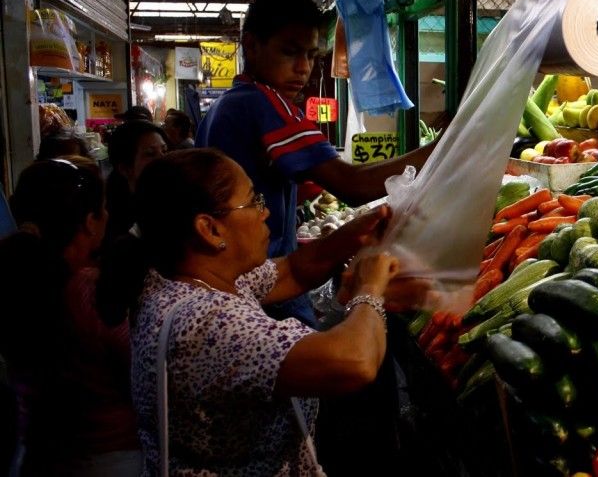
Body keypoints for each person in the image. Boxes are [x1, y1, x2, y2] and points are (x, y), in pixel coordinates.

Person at [95, 148, 429, 475]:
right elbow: (355, 362)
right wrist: (369, 289)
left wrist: (359, 230)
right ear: (209, 229)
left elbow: (293, 270)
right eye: (253, 201)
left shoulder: (187, 280)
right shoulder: (205, 324)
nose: (265, 212)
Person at [197, 0, 436, 325]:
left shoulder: (225, 105)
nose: (303, 68)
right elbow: (353, 186)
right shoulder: (264, 104)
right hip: (264, 281)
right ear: (251, 45)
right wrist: (445, 144)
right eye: (290, 52)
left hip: (232, 275)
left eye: (310, 55)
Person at [0, 157, 141, 476]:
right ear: (91, 222)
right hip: (107, 457)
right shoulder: (87, 292)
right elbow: (139, 367)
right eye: (102, 208)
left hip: (35, 454)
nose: (107, 215)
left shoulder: (14, 275)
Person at [104, 120, 168, 243]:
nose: (163, 159)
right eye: (150, 154)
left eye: (165, 151)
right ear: (124, 168)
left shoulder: (172, 204)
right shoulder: (116, 224)